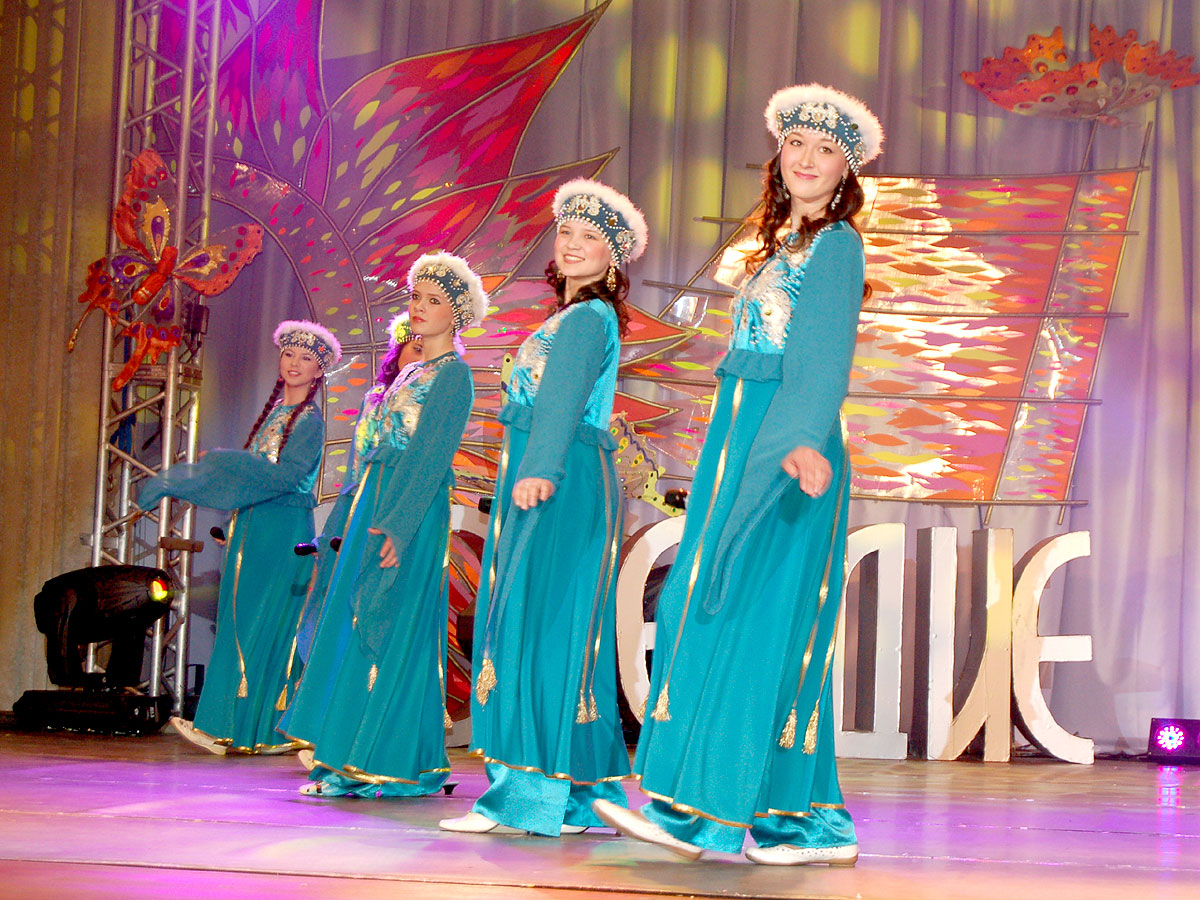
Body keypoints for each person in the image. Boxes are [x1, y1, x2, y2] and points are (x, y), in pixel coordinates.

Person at [593, 83, 882, 866]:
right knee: (718, 608)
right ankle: (797, 819)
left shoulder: (836, 245)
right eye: (797, 144)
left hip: (787, 443)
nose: (808, 159)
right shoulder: (782, 245)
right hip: (744, 436)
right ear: (778, 154)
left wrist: (802, 441)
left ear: (847, 168)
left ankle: (711, 816)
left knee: (747, 619)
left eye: (827, 150)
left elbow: (823, 355)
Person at [439, 179, 647, 837]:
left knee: (536, 631)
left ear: (613, 258)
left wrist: (541, 469)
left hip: (560, 479)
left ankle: (524, 800)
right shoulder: (572, 317)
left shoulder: (585, 319)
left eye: (591, 237)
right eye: (566, 233)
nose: (574, 244)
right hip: (560, 475)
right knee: (559, 633)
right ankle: (578, 800)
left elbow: (561, 400)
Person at [280, 252, 485, 797]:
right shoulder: (413, 372)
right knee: (356, 619)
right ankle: (347, 757)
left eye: (433, 301)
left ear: (457, 314)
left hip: (407, 508)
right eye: (416, 297)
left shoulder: (455, 375)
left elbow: (430, 458)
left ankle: (381, 762)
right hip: (375, 500)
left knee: (386, 622)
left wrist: (399, 526)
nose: (419, 307)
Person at [141, 320, 341, 754]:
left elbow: (285, 478)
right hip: (253, 526)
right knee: (238, 622)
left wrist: (229, 467)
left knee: (263, 624)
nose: (295, 363)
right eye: (289, 354)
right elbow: (257, 479)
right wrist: (235, 513)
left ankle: (243, 728)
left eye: (306, 358)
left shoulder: (309, 422)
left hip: (281, 530)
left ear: (319, 371)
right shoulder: (275, 414)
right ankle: (237, 728)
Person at [291, 312, 423, 665]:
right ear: (398, 351)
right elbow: (354, 463)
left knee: (373, 598)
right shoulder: (374, 397)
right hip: (354, 503)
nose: (421, 357)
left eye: (428, 351)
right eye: (415, 348)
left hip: (390, 506)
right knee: (330, 595)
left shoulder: (429, 400)